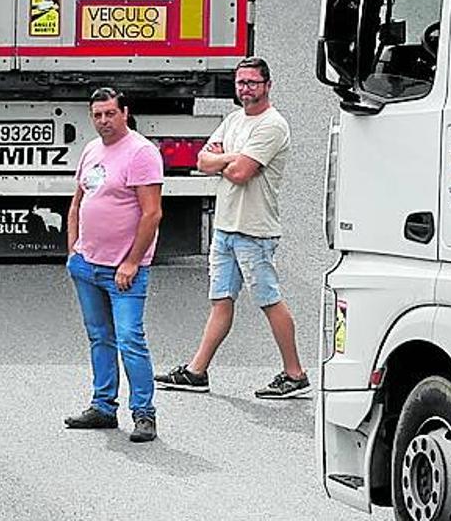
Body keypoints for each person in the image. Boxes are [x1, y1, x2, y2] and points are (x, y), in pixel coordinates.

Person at [155, 57, 309, 399]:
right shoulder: (234, 119)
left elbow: (241, 174)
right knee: (220, 302)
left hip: (254, 231)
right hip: (225, 228)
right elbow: (202, 160)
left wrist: (223, 160)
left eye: (253, 82)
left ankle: (295, 373)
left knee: (270, 301)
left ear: (267, 85)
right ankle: (197, 372)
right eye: (241, 83)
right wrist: (230, 158)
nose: (246, 89)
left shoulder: (272, 125)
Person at [64, 87, 164, 442]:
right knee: (99, 337)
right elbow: (78, 201)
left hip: (124, 272)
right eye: (97, 115)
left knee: (130, 339)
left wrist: (132, 262)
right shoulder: (91, 150)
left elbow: (152, 213)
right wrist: (73, 250)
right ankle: (103, 406)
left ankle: (144, 413)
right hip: (87, 265)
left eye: (110, 113)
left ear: (124, 112)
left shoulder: (141, 153)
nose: (104, 121)